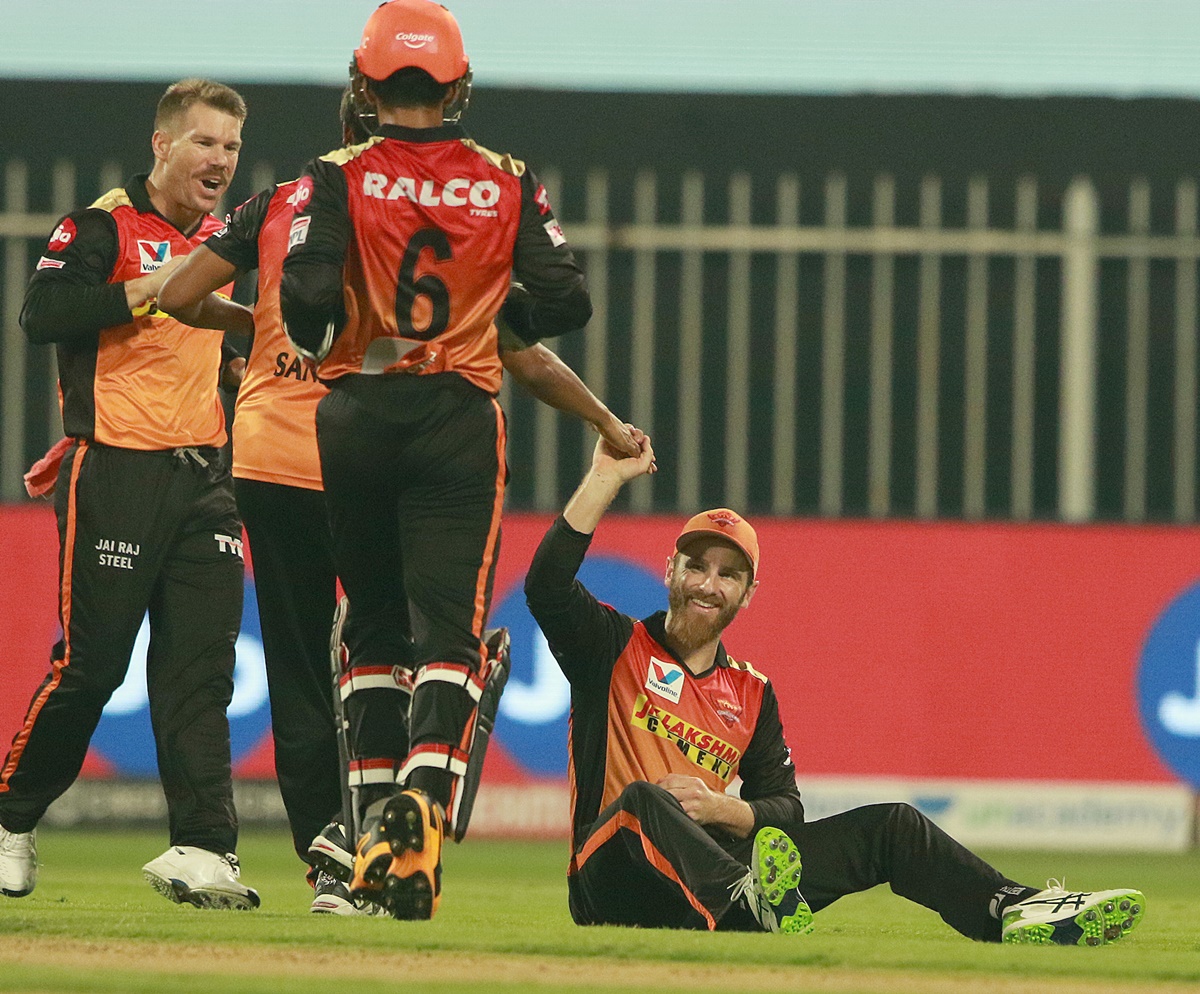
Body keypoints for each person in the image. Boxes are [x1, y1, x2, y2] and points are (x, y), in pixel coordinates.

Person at [158, 87, 639, 916]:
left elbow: (175, 295)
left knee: (311, 672)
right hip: (407, 451)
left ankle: (334, 867)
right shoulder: (452, 220)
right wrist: (603, 419)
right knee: (435, 645)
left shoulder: (280, 205)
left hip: (280, 459)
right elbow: (523, 352)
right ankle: (401, 827)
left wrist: (258, 331)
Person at [522, 434, 1147, 946]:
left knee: (893, 826)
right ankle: (747, 902)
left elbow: (783, 806)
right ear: (670, 571)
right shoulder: (611, 647)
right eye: (696, 567)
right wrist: (605, 475)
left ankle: (1012, 910)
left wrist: (727, 811)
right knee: (643, 799)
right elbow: (546, 586)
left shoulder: (752, 693)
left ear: (748, 594)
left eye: (728, 575)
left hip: (723, 878)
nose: (708, 585)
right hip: (610, 878)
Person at [0, 79, 259, 911]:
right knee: (93, 666)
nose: (219, 160)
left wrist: (241, 350)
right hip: (113, 469)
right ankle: (9, 822)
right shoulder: (103, 224)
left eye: (230, 146)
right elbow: (41, 313)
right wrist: (152, 286)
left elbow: (211, 346)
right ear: (163, 146)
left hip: (203, 480)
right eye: (204, 143)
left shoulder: (225, 235)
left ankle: (205, 847)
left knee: (200, 673)